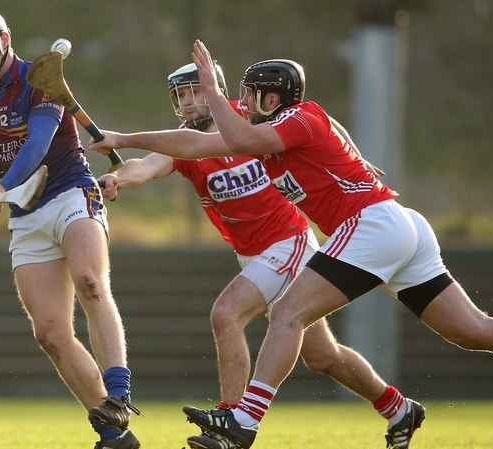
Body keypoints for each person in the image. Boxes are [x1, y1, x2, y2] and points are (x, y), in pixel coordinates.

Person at [89, 40, 493, 449]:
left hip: (368, 227)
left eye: (251, 96)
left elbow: (238, 137)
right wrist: (122, 139)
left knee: (286, 315)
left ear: (273, 98)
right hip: (394, 224)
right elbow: (194, 142)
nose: (243, 104)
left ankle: (242, 421)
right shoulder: (285, 123)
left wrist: (208, 82)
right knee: (467, 330)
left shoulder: (289, 122)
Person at [100, 62, 397, 449]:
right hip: (253, 256)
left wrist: (354, 154)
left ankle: (230, 419)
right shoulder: (184, 142)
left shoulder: (250, 120)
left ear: (217, 90)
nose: (188, 102)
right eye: (181, 96)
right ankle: (398, 407)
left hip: (289, 242)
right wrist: (116, 178)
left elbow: (317, 118)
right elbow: (147, 165)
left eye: (195, 91)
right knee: (322, 356)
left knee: (226, 315)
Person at [0, 10, 141, 449]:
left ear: (4, 39)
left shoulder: (40, 78)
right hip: (27, 214)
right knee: (51, 334)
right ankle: (116, 435)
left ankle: (118, 394)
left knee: (91, 283)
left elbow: (36, 145)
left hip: (71, 191)